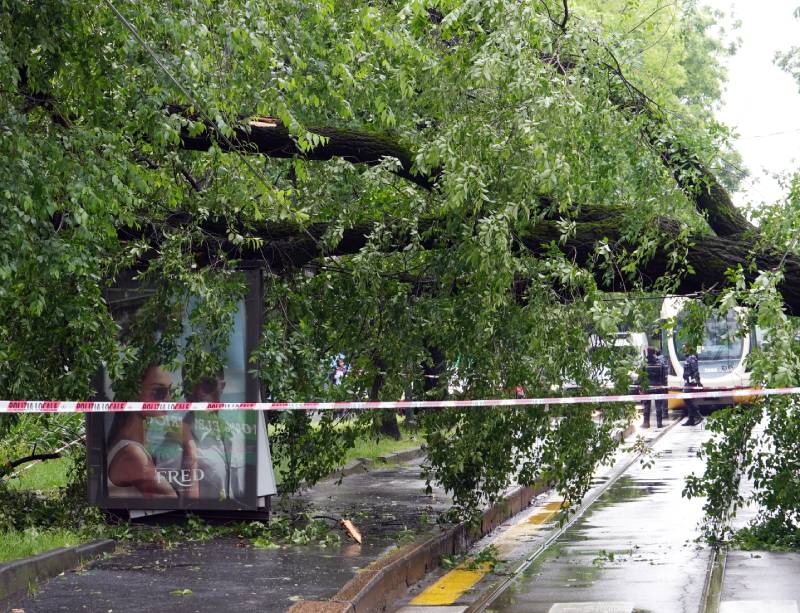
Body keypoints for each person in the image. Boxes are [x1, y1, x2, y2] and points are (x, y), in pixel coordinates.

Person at [106, 365, 198, 499]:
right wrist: (190, 447)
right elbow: (187, 510)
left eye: (170, 391)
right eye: (159, 392)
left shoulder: (134, 446)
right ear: (134, 393)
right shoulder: (133, 455)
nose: (168, 399)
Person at [643, 347, 667, 428]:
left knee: (646, 405)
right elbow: (664, 377)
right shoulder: (660, 363)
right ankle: (659, 423)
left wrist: (640, 386)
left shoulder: (644, 364)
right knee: (658, 406)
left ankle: (646, 423)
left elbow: (641, 377)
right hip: (658, 386)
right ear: (654, 353)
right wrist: (663, 386)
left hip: (647, 387)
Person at [682, 345, 704, 426]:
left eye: (685, 347)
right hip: (687, 381)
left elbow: (695, 371)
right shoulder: (687, 358)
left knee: (687, 399)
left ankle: (698, 415)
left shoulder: (692, 358)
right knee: (688, 399)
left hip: (691, 383)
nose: (683, 349)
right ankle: (691, 420)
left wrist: (698, 382)